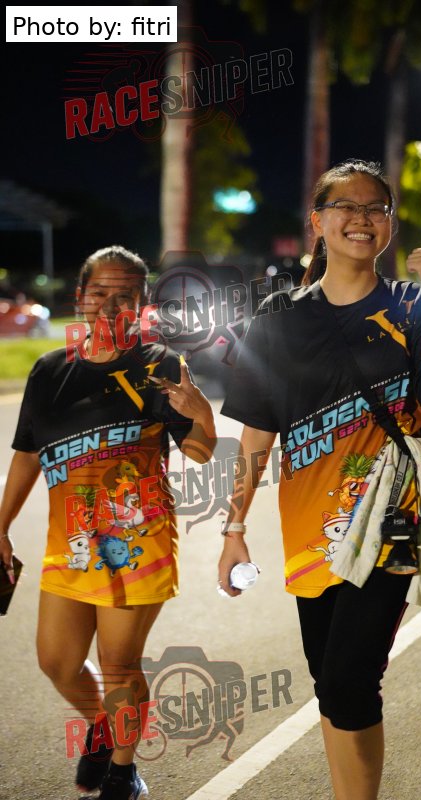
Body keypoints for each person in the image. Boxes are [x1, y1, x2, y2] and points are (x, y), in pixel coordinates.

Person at [217, 159, 421, 800]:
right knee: (331, 685)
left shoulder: (412, 305)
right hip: (310, 529)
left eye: (375, 207)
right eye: (345, 206)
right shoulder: (279, 316)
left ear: (389, 223)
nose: (361, 217)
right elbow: (256, 433)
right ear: (318, 221)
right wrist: (233, 527)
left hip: (393, 520)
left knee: (350, 681)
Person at [0, 246, 217, 800]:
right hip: (70, 542)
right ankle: (106, 726)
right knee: (57, 661)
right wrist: (0, 526)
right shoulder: (50, 372)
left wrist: (202, 416)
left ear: (142, 305)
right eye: (100, 292)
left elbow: (199, 452)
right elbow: (27, 454)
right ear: (81, 297)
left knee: (118, 663)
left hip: (138, 541)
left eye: (126, 296)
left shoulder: (160, 366)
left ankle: (123, 771)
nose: (110, 305)